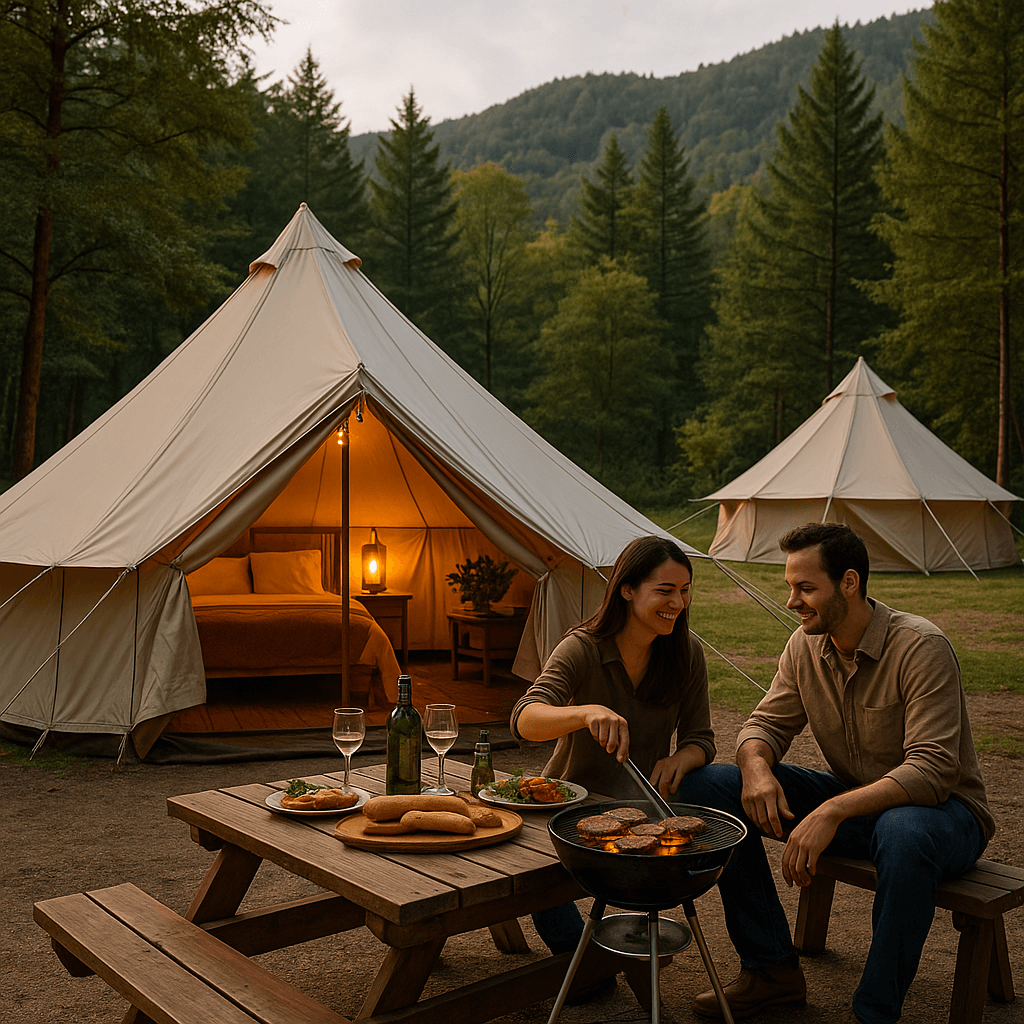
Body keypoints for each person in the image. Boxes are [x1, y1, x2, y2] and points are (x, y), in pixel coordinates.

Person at [679, 523, 994, 1024]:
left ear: (849, 582)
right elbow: (762, 724)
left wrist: (831, 810)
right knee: (710, 784)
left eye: (806, 589)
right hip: (862, 806)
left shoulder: (920, 646)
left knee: (903, 829)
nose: (792, 602)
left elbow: (933, 771)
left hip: (944, 817)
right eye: (790, 587)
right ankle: (771, 972)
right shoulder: (804, 647)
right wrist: (757, 769)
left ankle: (874, 1012)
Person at [510, 534, 716, 960]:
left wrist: (683, 757)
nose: (677, 603)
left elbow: (702, 739)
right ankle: (585, 960)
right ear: (627, 590)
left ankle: (614, 955)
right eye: (664, 591)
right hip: (568, 803)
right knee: (541, 891)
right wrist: (585, 712)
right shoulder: (582, 646)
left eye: (684, 591)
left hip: (644, 807)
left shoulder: (687, 652)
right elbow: (525, 718)